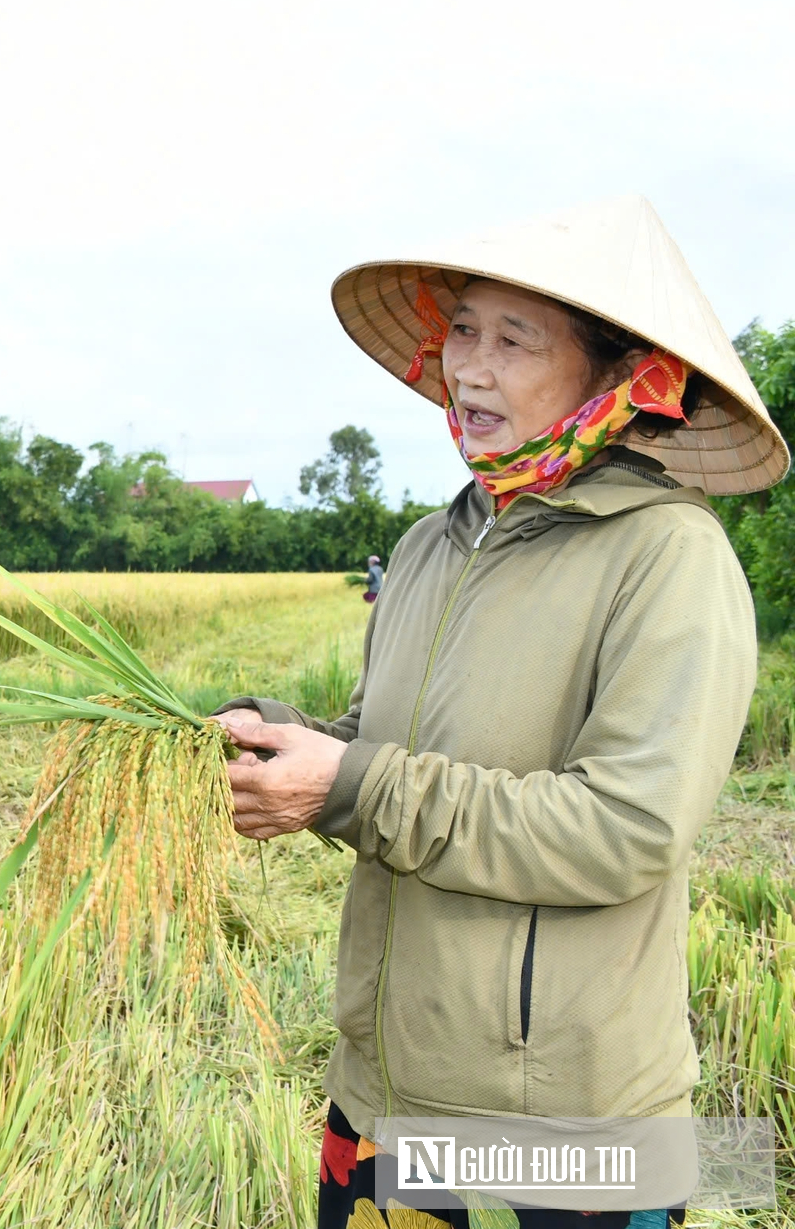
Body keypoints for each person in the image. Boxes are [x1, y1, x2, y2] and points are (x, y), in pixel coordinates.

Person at [214, 197, 784, 1227]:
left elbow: (622, 829)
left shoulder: (667, 556)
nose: (466, 367)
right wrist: (283, 738)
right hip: (384, 1088)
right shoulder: (434, 542)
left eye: (513, 338)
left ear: (614, 376)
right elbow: (382, 745)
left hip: (563, 1124)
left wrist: (347, 784)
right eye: (462, 329)